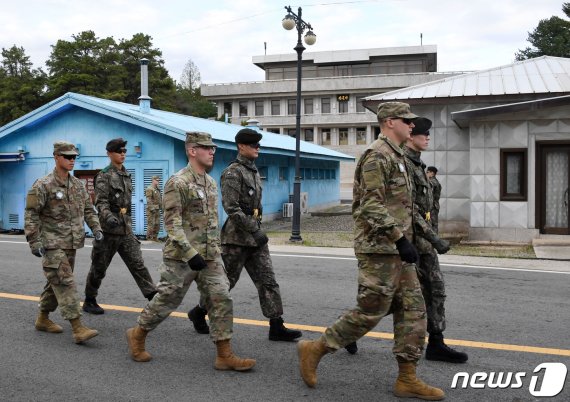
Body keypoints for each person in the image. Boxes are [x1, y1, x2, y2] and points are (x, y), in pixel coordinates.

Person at [297, 102, 445, 400]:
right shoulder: (377, 156)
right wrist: (399, 239)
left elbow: (408, 207)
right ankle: (316, 348)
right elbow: (371, 205)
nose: (412, 126)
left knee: (414, 311)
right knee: (371, 311)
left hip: (399, 251)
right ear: (390, 122)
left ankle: (407, 377)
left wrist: (426, 238)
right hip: (379, 249)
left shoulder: (400, 156)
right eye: (407, 121)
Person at [126, 131, 255, 371]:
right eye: (206, 148)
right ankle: (138, 334)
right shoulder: (178, 182)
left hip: (210, 255)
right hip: (182, 257)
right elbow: (172, 224)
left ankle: (224, 354)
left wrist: (215, 251)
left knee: (221, 298)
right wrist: (189, 253)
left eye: (213, 148)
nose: (212, 152)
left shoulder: (210, 182)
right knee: (167, 300)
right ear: (192, 151)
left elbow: (211, 222)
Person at [187, 128, 302, 342]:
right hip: (236, 239)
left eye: (258, 144)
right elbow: (231, 207)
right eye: (253, 145)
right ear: (241, 146)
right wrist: (254, 229)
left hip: (255, 237)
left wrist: (257, 230)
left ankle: (276, 325)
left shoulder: (254, 170)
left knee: (268, 281)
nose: (257, 148)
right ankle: (199, 312)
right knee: (226, 283)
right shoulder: (233, 172)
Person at [24, 141, 102, 344]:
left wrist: (96, 228)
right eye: (67, 156)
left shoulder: (77, 185)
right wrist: (34, 241)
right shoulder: (42, 185)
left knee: (56, 282)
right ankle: (78, 328)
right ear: (56, 157)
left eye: (74, 156)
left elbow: (87, 210)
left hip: (71, 243)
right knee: (66, 282)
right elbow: (31, 214)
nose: (72, 160)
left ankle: (42, 319)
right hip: (51, 244)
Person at [405, 118, 468, 364]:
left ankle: (437, 343)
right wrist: (435, 238)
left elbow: (430, 209)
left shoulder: (420, 166)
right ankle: (350, 333)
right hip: (409, 244)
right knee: (386, 299)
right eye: (422, 133)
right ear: (410, 136)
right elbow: (410, 211)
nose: (427, 137)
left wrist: (433, 238)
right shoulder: (404, 166)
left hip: (425, 245)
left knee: (436, 290)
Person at [83, 138, 157, 314]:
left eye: (124, 151)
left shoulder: (125, 174)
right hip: (109, 230)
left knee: (137, 263)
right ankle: (90, 299)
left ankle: (154, 298)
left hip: (125, 228)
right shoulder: (104, 176)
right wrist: (107, 217)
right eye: (119, 151)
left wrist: (126, 221)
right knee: (99, 267)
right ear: (109, 154)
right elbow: (100, 202)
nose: (122, 154)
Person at [145, 175, 162, 241]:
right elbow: (149, 200)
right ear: (153, 180)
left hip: (157, 209)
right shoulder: (149, 188)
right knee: (151, 224)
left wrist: (161, 207)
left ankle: (155, 237)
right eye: (156, 180)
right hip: (151, 210)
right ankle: (149, 238)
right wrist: (152, 209)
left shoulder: (157, 188)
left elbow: (159, 199)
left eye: (158, 180)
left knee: (157, 224)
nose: (158, 181)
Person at [426, 166, 441, 234]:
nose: (426, 174)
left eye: (427, 172)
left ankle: (435, 242)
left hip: (432, 207)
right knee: (431, 223)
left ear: (432, 173)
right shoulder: (434, 181)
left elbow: (429, 195)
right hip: (432, 207)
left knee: (432, 224)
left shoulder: (432, 182)